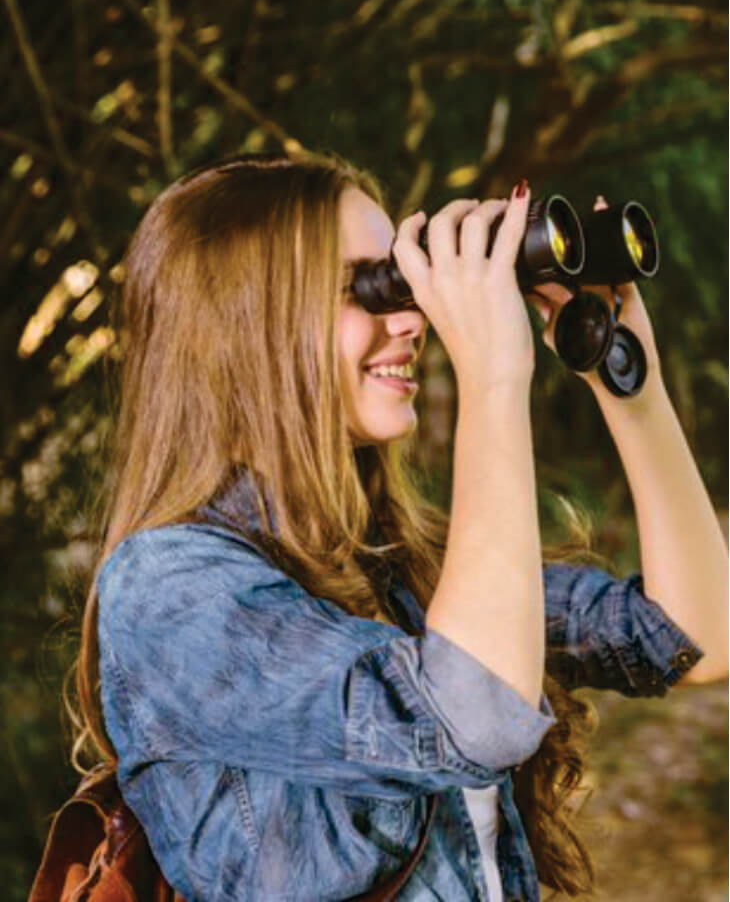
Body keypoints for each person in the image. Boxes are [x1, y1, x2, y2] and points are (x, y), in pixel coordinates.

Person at [71, 152, 727, 902]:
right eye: (367, 288)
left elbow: (690, 636)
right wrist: (493, 377)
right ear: (242, 323)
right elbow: (475, 713)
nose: (414, 318)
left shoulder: (396, 567)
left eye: (407, 284)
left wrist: (622, 371)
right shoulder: (170, 590)